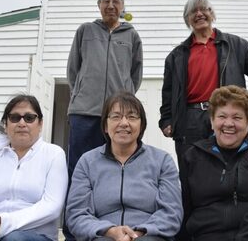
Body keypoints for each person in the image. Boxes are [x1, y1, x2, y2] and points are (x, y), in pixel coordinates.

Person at [159, 0, 248, 167]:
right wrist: (166, 121)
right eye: (193, 11)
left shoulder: (237, 46)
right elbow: (168, 93)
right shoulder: (176, 56)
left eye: (204, 9)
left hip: (227, 116)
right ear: (187, 19)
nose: (199, 14)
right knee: (192, 174)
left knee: (232, 169)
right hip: (191, 120)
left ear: (212, 14)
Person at [64, 0, 143, 240]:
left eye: (116, 1)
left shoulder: (132, 36)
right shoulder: (85, 31)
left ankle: (108, 227)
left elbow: (135, 74)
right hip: (84, 113)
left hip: (117, 116)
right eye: (106, 0)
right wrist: (82, 94)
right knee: (78, 170)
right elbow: (73, 70)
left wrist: (125, 99)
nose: (111, 5)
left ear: (122, 6)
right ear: (99, 5)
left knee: (112, 168)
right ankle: (74, 229)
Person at [65, 91, 183, 241]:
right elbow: (77, 214)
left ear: (141, 126)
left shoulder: (162, 161)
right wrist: (110, 231)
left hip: (149, 236)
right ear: (106, 126)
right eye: (116, 116)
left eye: (132, 117)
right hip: (103, 236)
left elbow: (172, 213)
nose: (124, 123)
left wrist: (138, 233)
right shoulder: (87, 162)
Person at [180, 85, 248, 241]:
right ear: (212, 120)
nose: (228, 123)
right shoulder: (192, 156)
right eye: (222, 116)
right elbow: (183, 209)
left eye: (237, 117)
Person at [0, 94, 68, 241]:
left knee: (14, 239)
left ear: (40, 124)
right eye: (15, 118)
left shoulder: (54, 154)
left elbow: (52, 206)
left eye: (29, 118)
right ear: (5, 124)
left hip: (37, 234)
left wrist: (6, 222)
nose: (22, 123)